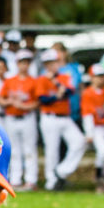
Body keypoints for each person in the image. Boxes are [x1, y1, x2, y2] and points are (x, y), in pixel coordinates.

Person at [35, 48, 85, 191]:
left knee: (79, 141)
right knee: (52, 150)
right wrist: (56, 96)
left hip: (65, 117)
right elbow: (43, 99)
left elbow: (69, 92)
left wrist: (56, 84)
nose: (51, 66)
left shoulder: (64, 77)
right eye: (48, 63)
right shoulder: (42, 79)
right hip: (49, 117)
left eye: (53, 62)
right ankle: (51, 182)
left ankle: (61, 171)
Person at [0, 50, 39, 191]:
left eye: (26, 62)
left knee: (29, 149)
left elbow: (37, 102)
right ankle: (15, 179)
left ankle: (31, 180)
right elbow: (0, 99)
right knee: (14, 150)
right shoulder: (10, 81)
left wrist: (24, 106)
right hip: (11, 117)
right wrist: (9, 101)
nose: (24, 65)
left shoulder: (33, 81)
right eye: (21, 62)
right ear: (17, 64)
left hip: (27, 116)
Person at [81, 63, 104, 193]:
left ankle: (103, 176)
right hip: (95, 127)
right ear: (92, 77)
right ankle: (99, 176)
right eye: (98, 76)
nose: (101, 79)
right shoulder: (88, 93)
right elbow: (87, 114)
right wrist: (89, 133)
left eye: (102, 76)